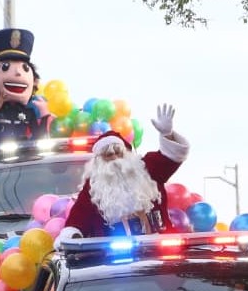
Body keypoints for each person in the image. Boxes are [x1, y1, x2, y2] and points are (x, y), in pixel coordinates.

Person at [58, 103, 188, 241]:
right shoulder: (94, 188)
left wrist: (167, 135)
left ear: (126, 153)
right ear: (99, 161)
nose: (114, 157)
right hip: (113, 252)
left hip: (158, 246)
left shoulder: (146, 168)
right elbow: (78, 218)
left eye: (118, 151)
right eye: (108, 154)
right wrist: (72, 235)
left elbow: (171, 157)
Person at [0, 27, 53, 146]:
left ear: (34, 80)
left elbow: (39, 136)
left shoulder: (29, 112)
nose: (18, 73)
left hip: (24, 154)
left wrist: (44, 115)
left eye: (25, 68)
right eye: (5, 66)